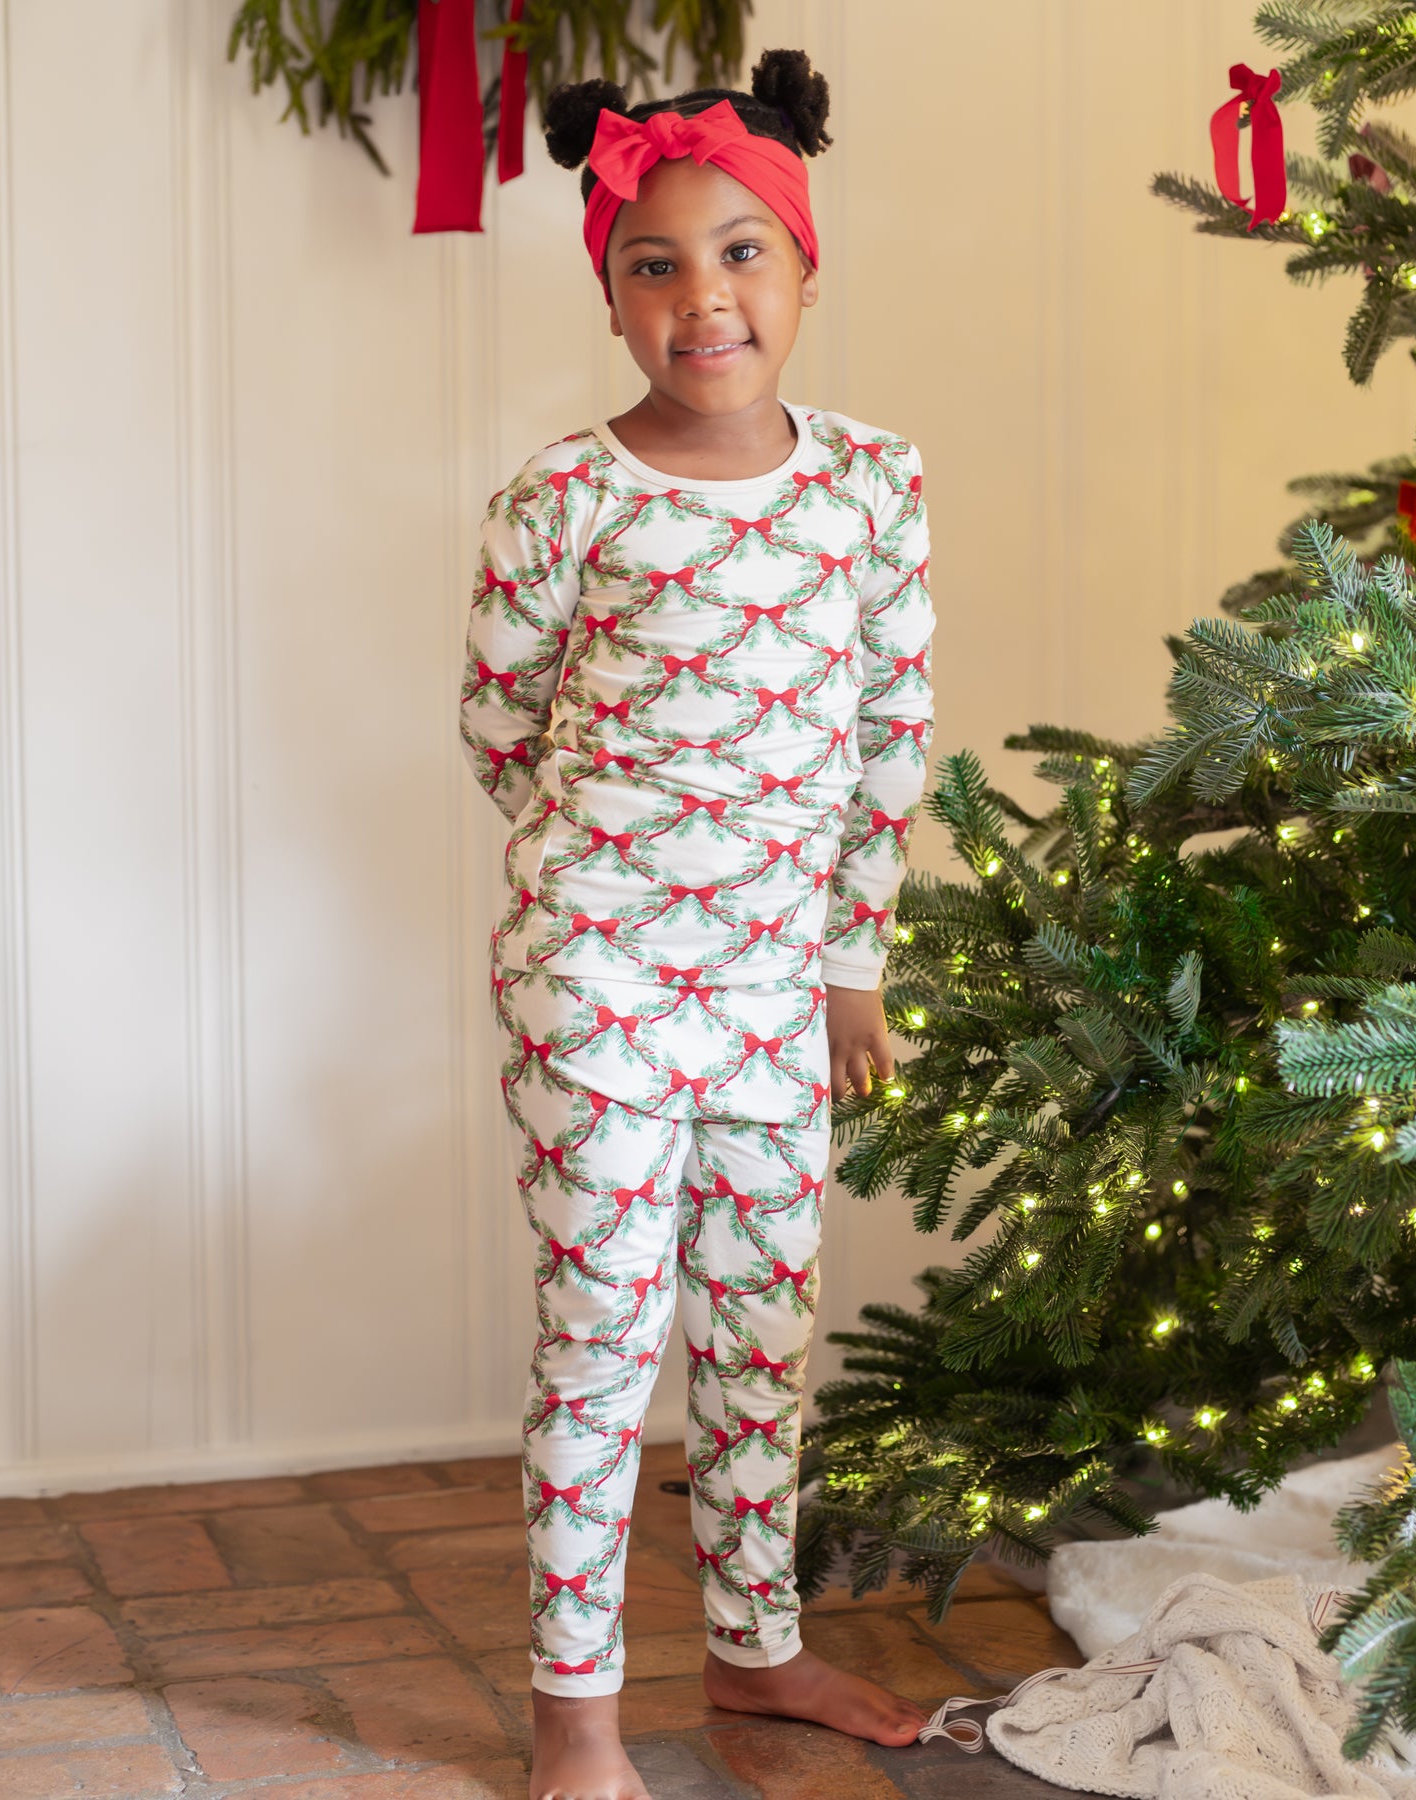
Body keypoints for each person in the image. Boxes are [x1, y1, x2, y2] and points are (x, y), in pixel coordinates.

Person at [458, 45, 936, 1800]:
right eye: (653, 264)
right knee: (602, 1338)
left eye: (741, 252)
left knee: (761, 1326)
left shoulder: (871, 487)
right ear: (608, 297)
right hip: (594, 982)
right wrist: (626, 884)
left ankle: (757, 1651)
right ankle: (573, 1714)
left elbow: (893, 731)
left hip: (773, 992)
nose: (702, 296)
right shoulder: (563, 501)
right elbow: (499, 726)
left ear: (804, 272)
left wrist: (846, 962)